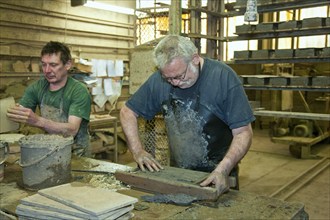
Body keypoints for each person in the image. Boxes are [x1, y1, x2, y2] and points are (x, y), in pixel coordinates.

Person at [120, 35, 255, 196]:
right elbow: (127, 112)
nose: (174, 83)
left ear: (195, 59)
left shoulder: (223, 78)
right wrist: (137, 151)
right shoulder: (159, 81)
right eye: (168, 78)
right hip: (178, 174)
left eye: (179, 76)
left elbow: (243, 132)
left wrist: (223, 170)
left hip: (219, 172)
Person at [7, 41, 92, 157]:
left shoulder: (78, 90)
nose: (47, 70)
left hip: (77, 153)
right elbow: (17, 112)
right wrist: (14, 113)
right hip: (51, 151)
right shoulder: (37, 87)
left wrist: (37, 121)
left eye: (53, 65)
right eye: (44, 64)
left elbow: (72, 130)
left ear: (67, 64)